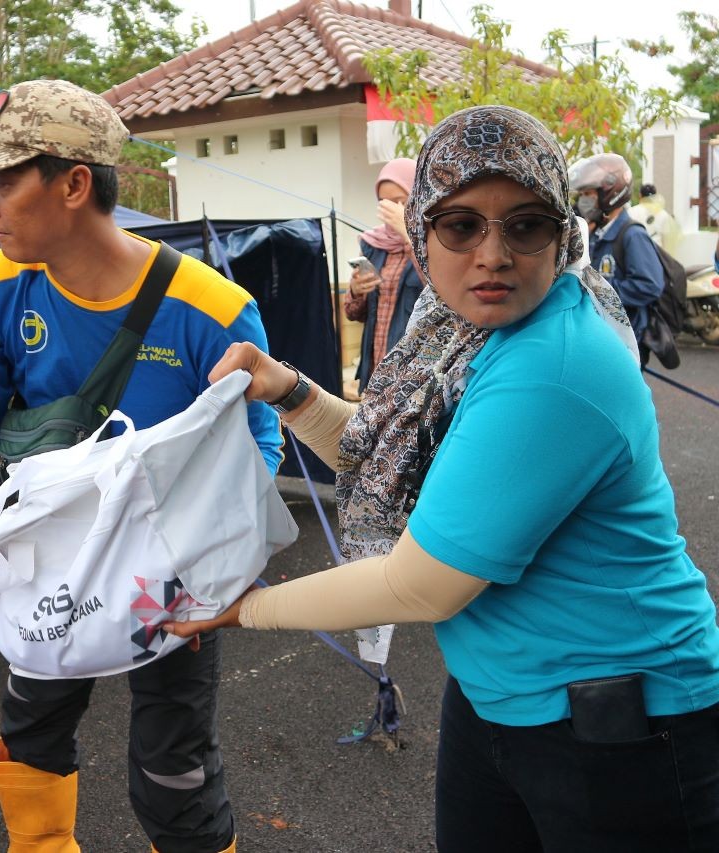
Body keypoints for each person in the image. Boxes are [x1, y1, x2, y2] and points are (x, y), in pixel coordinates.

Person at [165, 105, 719, 851]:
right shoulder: (459, 331)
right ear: (422, 234)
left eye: (524, 225)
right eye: (461, 226)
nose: (492, 253)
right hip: (499, 697)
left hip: (624, 726)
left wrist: (238, 608)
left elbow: (422, 584)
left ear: (563, 233)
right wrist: (289, 390)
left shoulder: (552, 364)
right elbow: (400, 467)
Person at [0, 79, 283, 853]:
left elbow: (258, 449)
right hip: (46, 562)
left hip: (170, 565)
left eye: (2, 179)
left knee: (172, 767)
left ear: (73, 184)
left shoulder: (212, 308)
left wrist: (220, 570)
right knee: (31, 731)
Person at [570, 153, 666, 363]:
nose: (583, 201)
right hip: (602, 336)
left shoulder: (632, 235)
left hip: (626, 344)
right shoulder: (596, 233)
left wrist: (603, 292)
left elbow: (650, 284)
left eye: (588, 194)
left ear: (610, 194)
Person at [343, 157, 423, 390]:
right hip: (376, 366)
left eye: (400, 201)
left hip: (413, 370)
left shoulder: (433, 241)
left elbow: (440, 291)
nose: (392, 209)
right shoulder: (373, 243)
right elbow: (353, 313)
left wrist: (408, 235)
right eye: (384, 202)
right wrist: (357, 292)